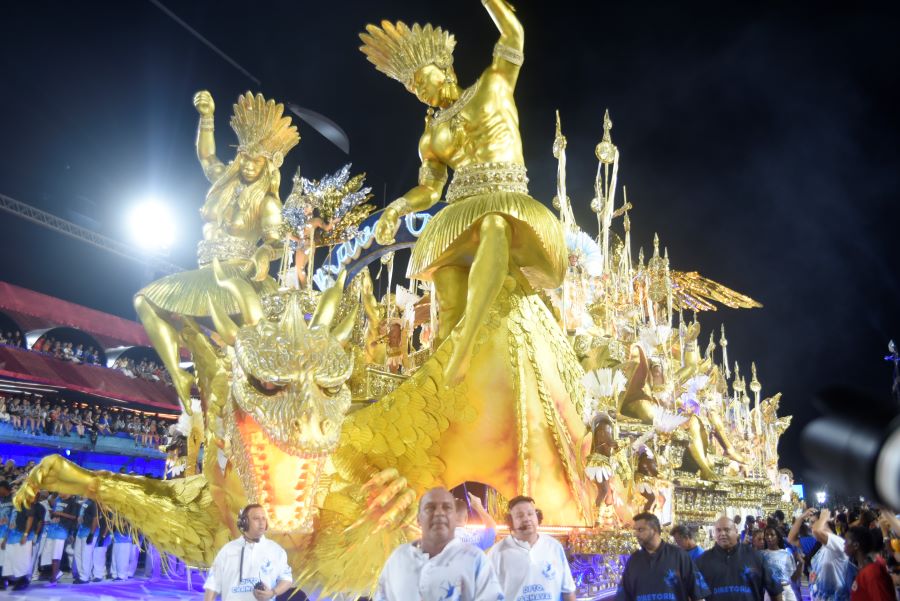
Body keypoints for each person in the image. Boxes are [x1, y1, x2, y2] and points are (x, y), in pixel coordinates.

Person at [374, 487, 503, 601]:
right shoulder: (476, 542)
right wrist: (478, 506)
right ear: (466, 518)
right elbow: (492, 528)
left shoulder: (416, 546)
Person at [489, 495, 576, 601]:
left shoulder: (554, 547)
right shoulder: (497, 552)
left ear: (537, 517)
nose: (526, 519)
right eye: (520, 516)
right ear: (510, 521)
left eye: (530, 514)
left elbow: (568, 592)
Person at [203, 504, 293, 601]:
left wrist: (272, 593)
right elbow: (213, 583)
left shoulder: (276, 550)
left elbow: (287, 579)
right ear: (244, 522)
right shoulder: (228, 550)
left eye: (263, 518)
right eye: (256, 518)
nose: (261, 522)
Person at [616, 512, 710, 601]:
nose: (636, 534)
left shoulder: (679, 556)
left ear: (655, 530)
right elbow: (623, 595)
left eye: (640, 529)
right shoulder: (633, 560)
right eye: (635, 530)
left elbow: (698, 595)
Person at [695, 516, 782, 601]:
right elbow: (694, 593)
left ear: (736, 532)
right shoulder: (702, 561)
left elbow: (775, 590)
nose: (722, 533)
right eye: (718, 530)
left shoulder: (756, 557)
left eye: (726, 529)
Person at [809, 508, 855, 601]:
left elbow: (816, 531)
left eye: (813, 522)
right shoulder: (822, 548)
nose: (810, 527)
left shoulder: (838, 542)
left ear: (824, 523)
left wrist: (824, 517)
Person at [843, 527, 894, 601]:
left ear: (856, 545)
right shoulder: (864, 569)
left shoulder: (871, 574)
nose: (844, 544)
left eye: (846, 541)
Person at [41, 492, 77, 585]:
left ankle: (54, 579)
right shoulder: (57, 500)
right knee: (47, 554)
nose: (60, 492)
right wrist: (53, 514)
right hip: (52, 529)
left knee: (56, 555)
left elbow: (74, 517)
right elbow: (54, 512)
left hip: (62, 531)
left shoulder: (73, 502)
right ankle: (56, 573)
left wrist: (60, 514)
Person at [761, 526, 800, 601]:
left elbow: (793, 577)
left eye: (772, 535)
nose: (769, 537)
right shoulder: (762, 554)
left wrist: (800, 563)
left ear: (778, 538)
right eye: (767, 535)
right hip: (771, 592)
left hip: (786, 589)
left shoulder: (786, 554)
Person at [73, 496, 99, 584]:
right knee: (77, 553)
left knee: (86, 555)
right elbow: (82, 515)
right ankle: (82, 574)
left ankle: (85, 577)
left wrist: (91, 534)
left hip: (88, 532)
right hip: (80, 531)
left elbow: (95, 519)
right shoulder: (86, 502)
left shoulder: (94, 503)